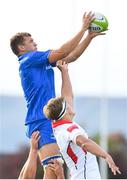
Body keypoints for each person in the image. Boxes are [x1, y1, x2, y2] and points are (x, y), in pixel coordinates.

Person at [10, 11, 106, 179]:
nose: (35, 43)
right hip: (41, 119)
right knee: (54, 168)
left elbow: (71, 56)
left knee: (53, 168)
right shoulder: (29, 59)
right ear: (21, 48)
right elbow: (62, 51)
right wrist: (82, 28)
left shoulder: (38, 62)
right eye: (31, 41)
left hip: (46, 118)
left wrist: (88, 37)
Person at [43, 61, 121, 179]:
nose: (70, 104)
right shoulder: (70, 129)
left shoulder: (60, 126)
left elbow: (67, 95)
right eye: (67, 105)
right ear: (65, 112)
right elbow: (84, 143)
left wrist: (64, 72)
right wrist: (106, 155)